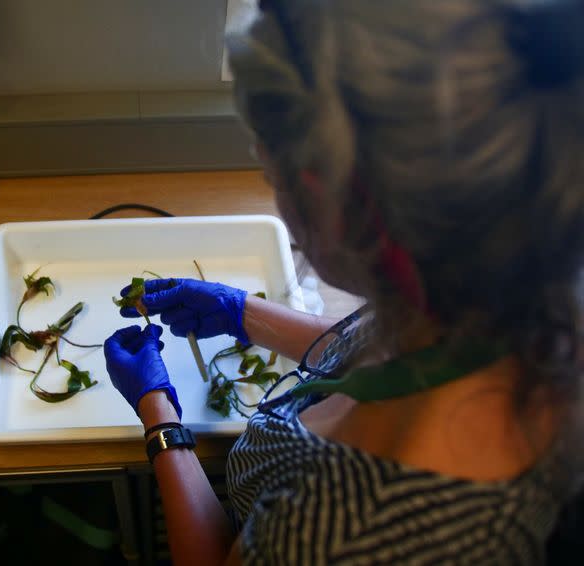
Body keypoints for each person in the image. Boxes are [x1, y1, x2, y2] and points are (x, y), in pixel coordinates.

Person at [104, 0, 584, 563]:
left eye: (270, 175)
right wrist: (242, 313)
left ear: (336, 205)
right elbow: (378, 355)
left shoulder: (348, 533)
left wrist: (160, 416)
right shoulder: (507, 278)